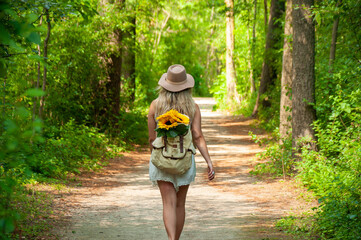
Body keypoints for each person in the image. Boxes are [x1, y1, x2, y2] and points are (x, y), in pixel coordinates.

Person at [148, 64, 215, 240]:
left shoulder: (155, 106)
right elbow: (198, 136)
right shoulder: (193, 107)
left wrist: (156, 157)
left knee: (168, 203)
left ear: (165, 85)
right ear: (186, 86)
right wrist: (208, 161)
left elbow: (151, 138)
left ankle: (171, 239)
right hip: (185, 160)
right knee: (180, 204)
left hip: (162, 159)